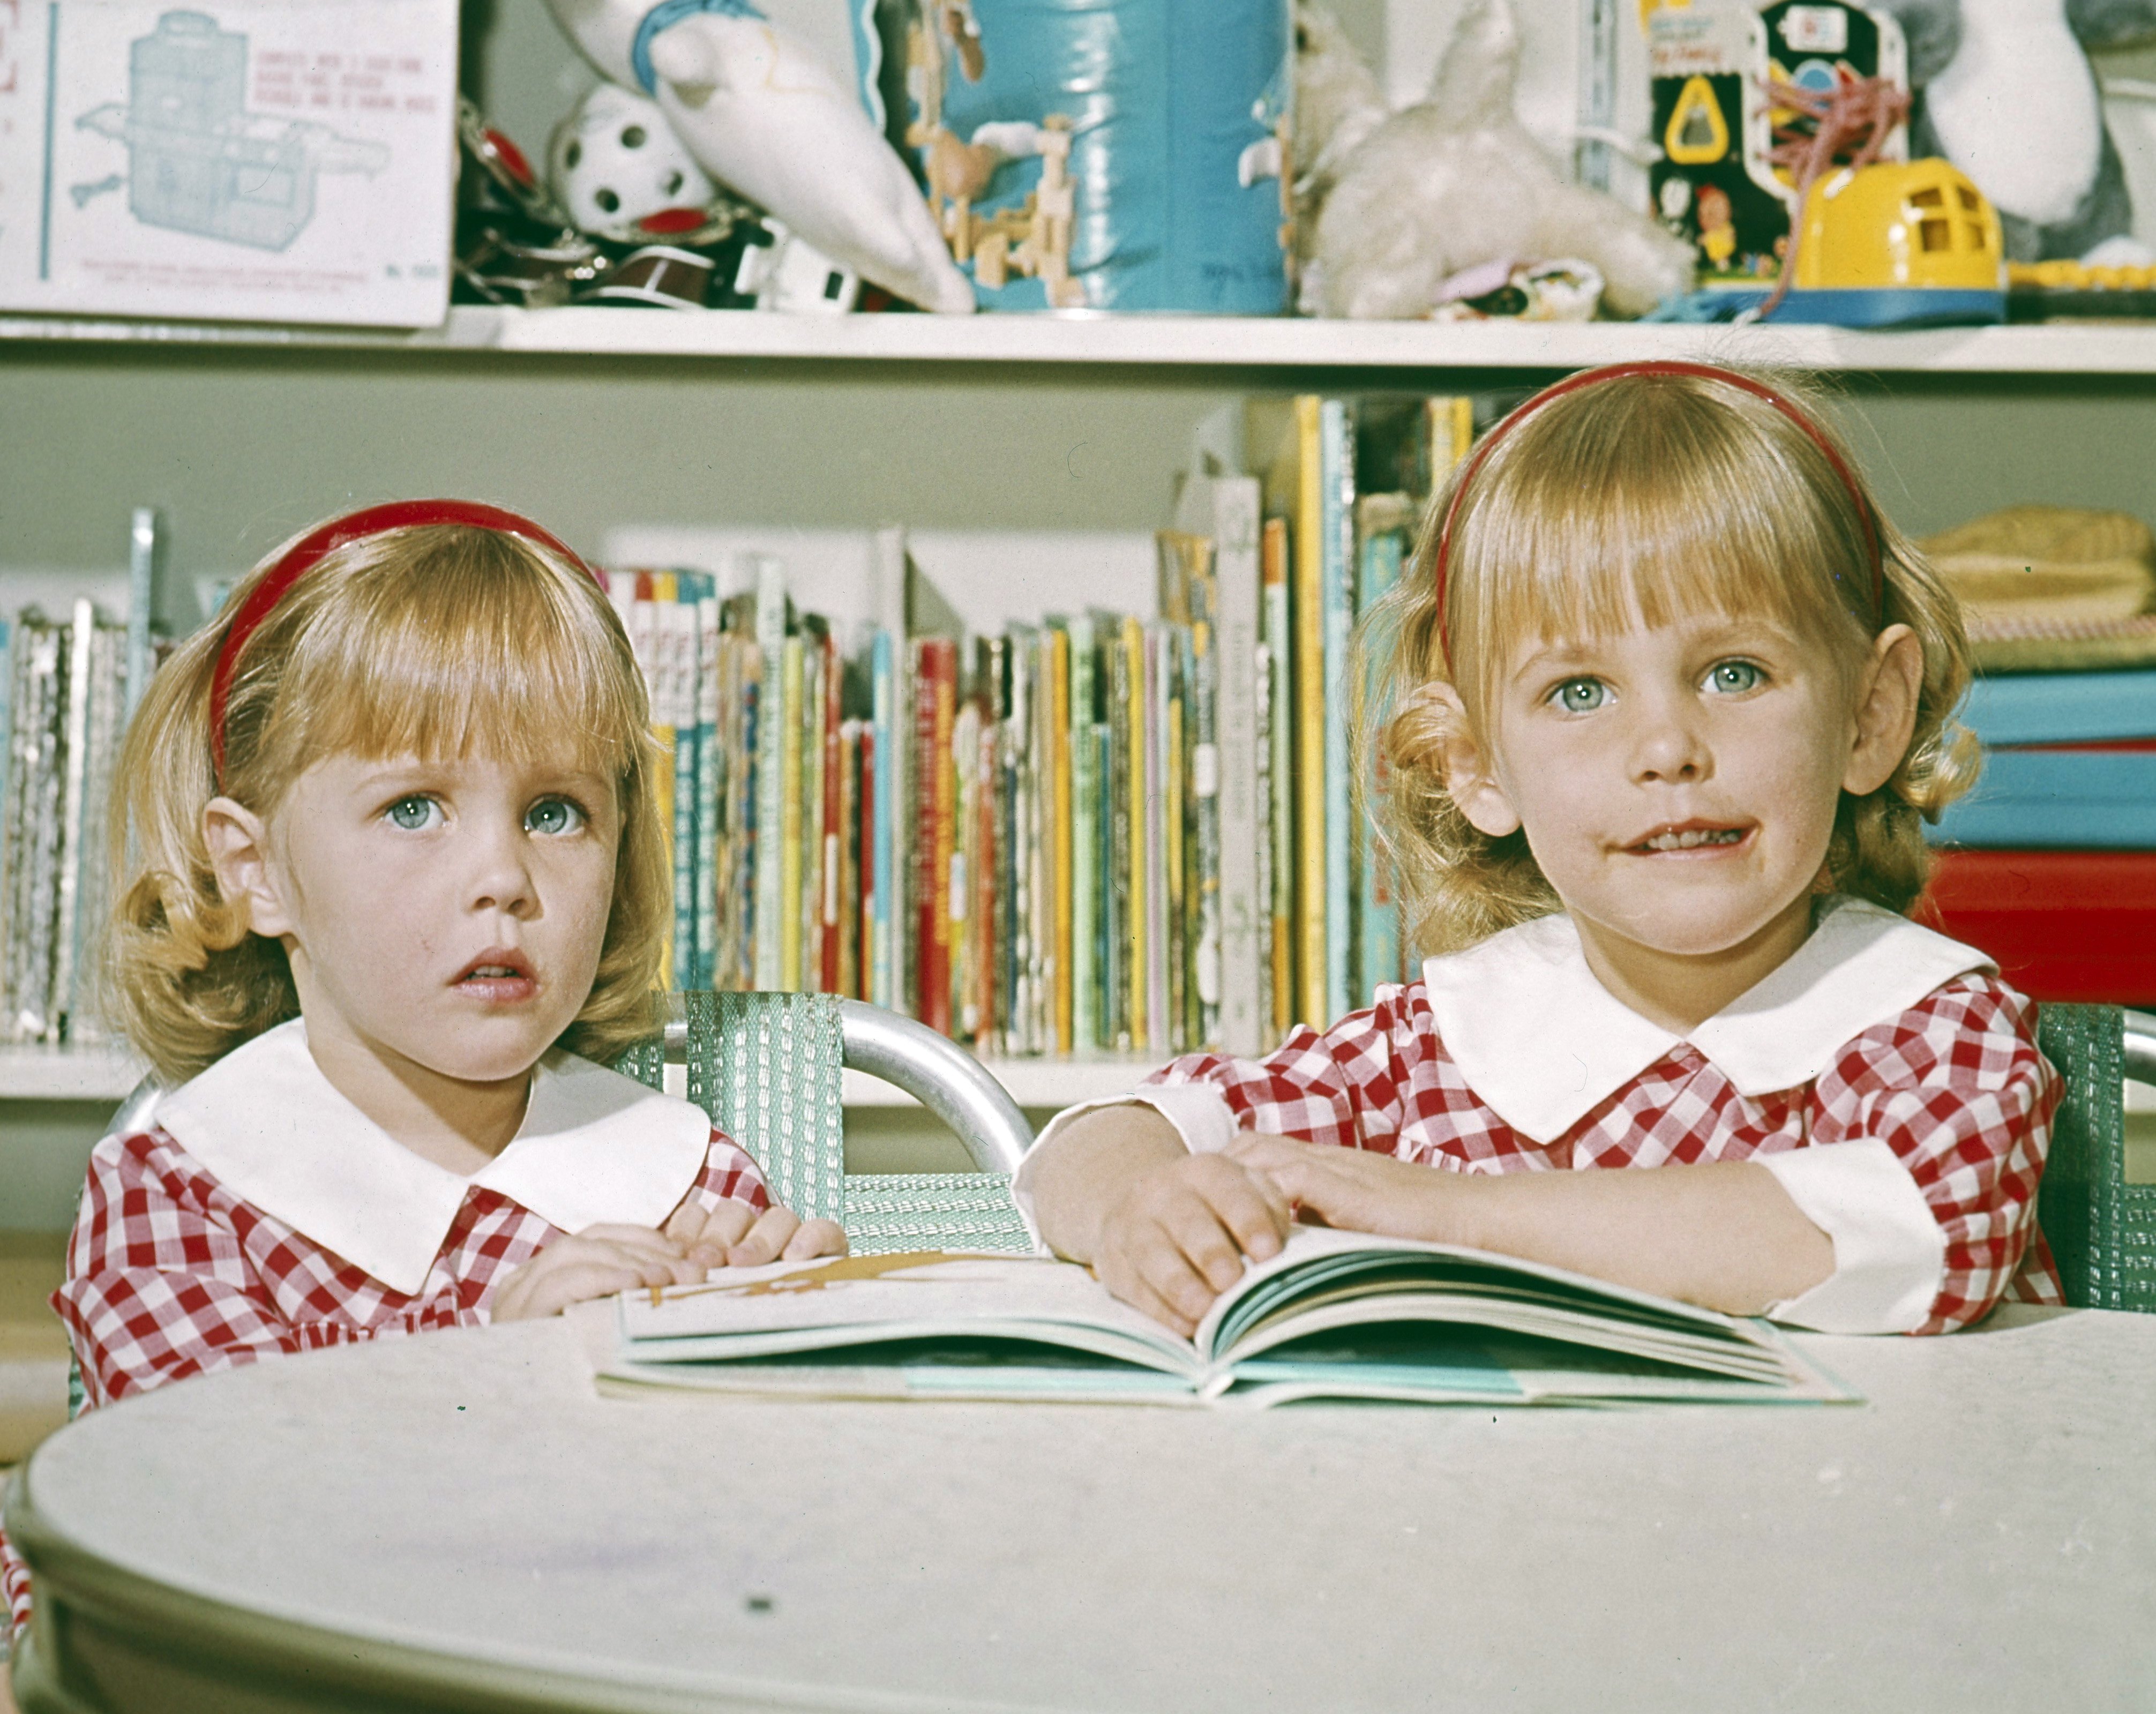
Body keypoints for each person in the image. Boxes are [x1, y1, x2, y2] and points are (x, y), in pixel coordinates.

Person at [1021, 360, 2060, 1344]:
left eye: (1734, 672)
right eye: (1578, 692)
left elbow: (1921, 1225)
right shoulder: (1435, 1048)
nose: (1665, 749)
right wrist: (1141, 1205)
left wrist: (1451, 1215)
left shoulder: (1924, 1025)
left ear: (1868, 714)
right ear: (1472, 765)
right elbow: (1093, 1141)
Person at [0, 501, 845, 1653]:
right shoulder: (179, 1184)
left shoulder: (685, 1174)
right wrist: (494, 1363)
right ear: (257, 874)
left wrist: (804, 1356)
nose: (502, 874)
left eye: (556, 812)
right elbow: (210, 1514)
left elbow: (738, 1555)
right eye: (414, 808)